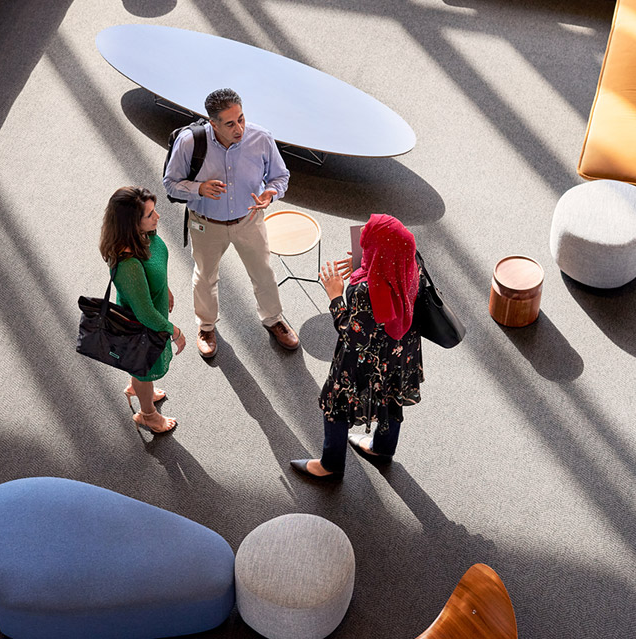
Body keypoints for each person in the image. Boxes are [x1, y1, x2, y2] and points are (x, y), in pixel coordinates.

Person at [163, 88, 298, 359]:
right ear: (212, 123)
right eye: (230, 123)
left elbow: (280, 176)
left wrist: (271, 193)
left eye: (241, 119)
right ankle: (206, 327)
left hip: (249, 219)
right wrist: (199, 189)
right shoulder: (190, 143)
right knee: (205, 275)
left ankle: (273, 318)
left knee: (263, 272)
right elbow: (170, 185)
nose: (239, 128)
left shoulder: (260, 138)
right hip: (206, 223)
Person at [291, 214, 424, 480]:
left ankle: (330, 465)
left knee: (337, 404)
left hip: (362, 361)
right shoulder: (411, 263)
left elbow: (353, 335)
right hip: (399, 354)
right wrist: (368, 261)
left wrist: (335, 296)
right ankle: (382, 449)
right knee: (391, 398)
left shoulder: (366, 292)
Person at [99, 186, 187, 434]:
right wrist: (175, 331)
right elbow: (146, 314)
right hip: (142, 326)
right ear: (131, 224)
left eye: (154, 210)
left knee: (142, 367)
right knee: (145, 368)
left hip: (152, 313)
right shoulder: (127, 263)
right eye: (150, 215)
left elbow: (155, 265)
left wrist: (165, 288)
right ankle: (147, 414)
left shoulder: (145, 235)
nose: (158, 216)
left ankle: (136, 385)